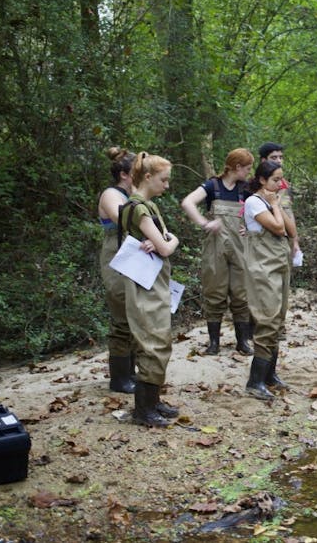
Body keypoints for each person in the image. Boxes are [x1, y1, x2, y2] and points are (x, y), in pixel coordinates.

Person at [118, 151, 180, 427]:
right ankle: (143, 409)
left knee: (159, 337)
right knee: (152, 340)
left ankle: (153, 400)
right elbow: (166, 246)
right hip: (144, 283)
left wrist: (163, 240)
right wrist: (171, 239)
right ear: (147, 177)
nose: (167, 186)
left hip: (153, 280)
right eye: (163, 180)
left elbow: (160, 241)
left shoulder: (147, 206)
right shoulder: (138, 208)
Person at [181, 149, 254, 356]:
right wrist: (205, 223)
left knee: (241, 293)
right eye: (247, 168)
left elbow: (262, 209)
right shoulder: (212, 186)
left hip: (240, 248)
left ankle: (242, 342)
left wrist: (250, 227)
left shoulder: (246, 189)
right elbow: (187, 202)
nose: (249, 173)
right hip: (215, 247)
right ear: (237, 167)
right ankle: (214, 343)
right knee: (215, 293)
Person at [243, 160, 291, 400]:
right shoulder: (254, 201)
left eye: (281, 180)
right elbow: (279, 228)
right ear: (262, 180)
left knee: (278, 319)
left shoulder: (273, 201)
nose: (279, 184)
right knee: (267, 319)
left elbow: (289, 228)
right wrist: (274, 206)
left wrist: (277, 204)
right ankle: (255, 381)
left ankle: (270, 375)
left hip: (279, 266)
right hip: (262, 269)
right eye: (275, 180)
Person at [98, 147, 136, 393]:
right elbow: (123, 218)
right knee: (122, 315)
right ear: (124, 174)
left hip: (134, 254)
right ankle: (119, 378)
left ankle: (131, 373)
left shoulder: (134, 195)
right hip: (117, 254)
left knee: (136, 314)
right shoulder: (111, 194)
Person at [259, 142, 299, 341]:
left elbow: (290, 216)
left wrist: (296, 243)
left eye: (281, 157)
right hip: (262, 244)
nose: (279, 161)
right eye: (274, 157)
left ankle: (279, 326)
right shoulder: (255, 188)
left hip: (284, 242)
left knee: (284, 285)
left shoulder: (284, 186)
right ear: (263, 161)